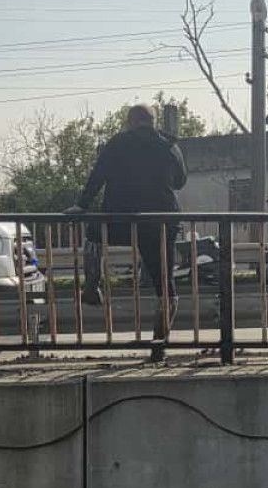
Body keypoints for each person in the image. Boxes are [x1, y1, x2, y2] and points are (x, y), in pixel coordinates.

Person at [66, 104, 187, 354]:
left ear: (130, 122)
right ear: (153, 121)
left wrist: (81, 205)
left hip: (121, 217)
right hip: (161, 220)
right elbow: (180, 181)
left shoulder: (118, 143)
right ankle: (159, 344)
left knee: (94, 233)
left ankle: (92, 285)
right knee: (165, 284)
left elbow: (97, 176)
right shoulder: (169, 145)